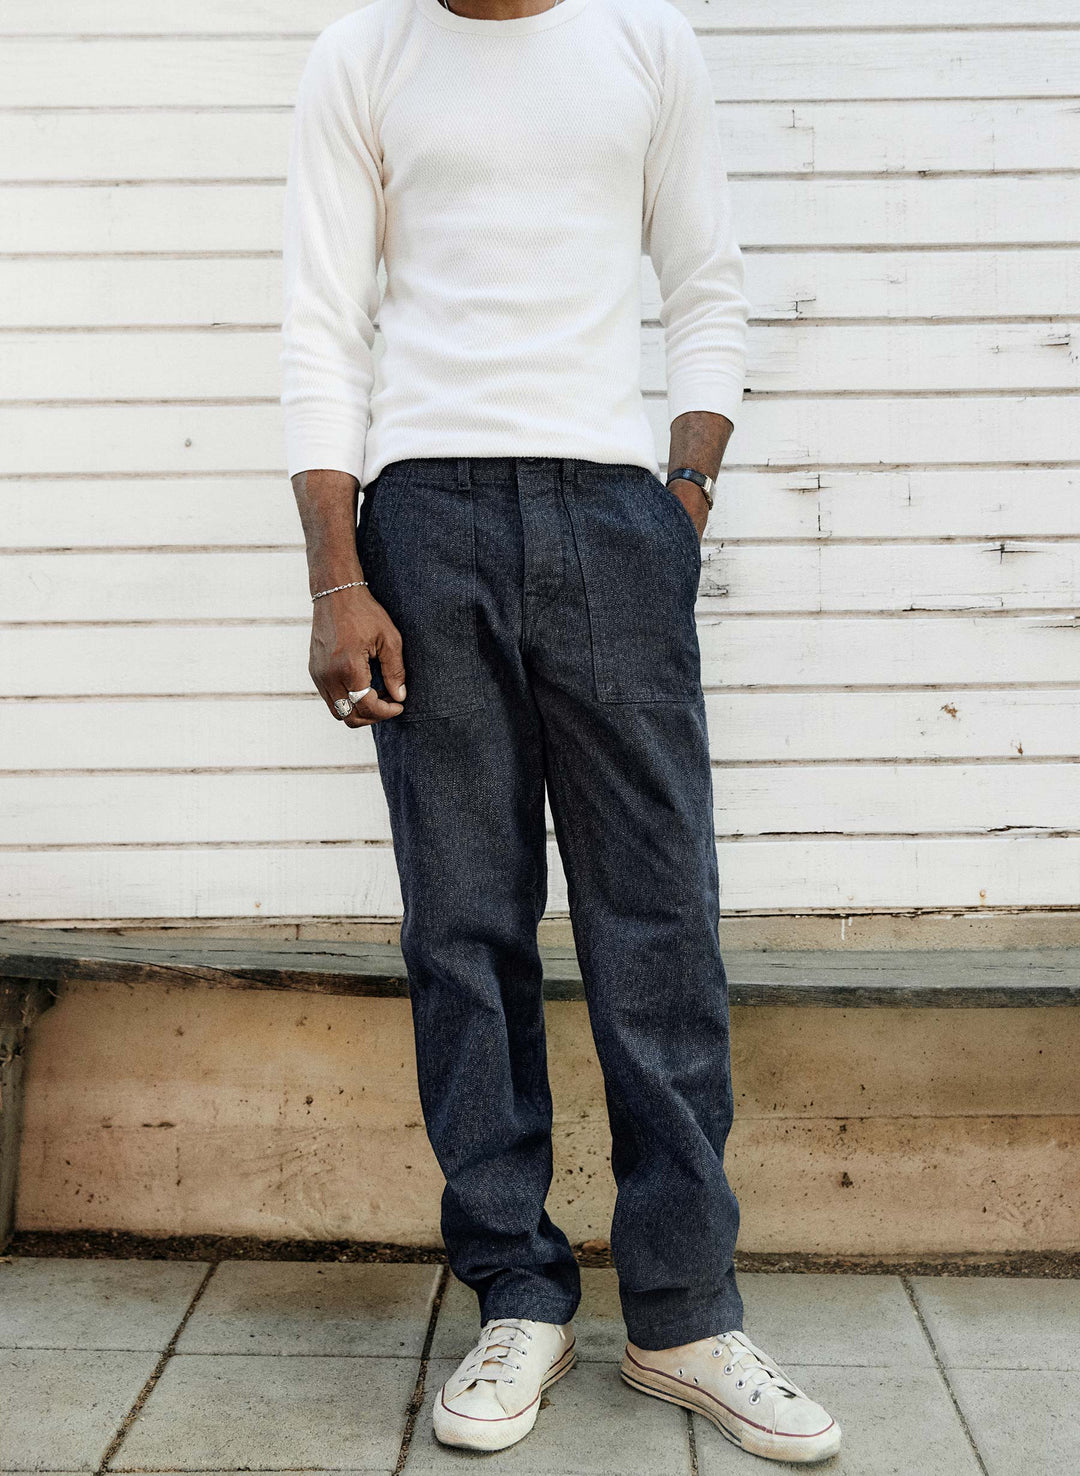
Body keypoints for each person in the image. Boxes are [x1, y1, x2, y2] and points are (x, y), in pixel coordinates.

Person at [281, 0, 841, 1461]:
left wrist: (685, 494)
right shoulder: (363, 54)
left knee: (656, 916)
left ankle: (682, 1311)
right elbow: (323, 320)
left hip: (612, 509)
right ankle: (517, 1296)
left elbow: (705, 282)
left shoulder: (645, 42)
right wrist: (339, 574)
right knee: (461, 926)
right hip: (426, 515)